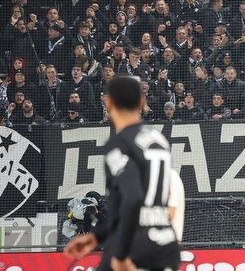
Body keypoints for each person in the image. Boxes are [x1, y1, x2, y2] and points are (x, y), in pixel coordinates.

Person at [64, 76, 181, 271]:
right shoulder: (158, 139)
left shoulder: (119, 144)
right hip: (165, 246)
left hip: (135, 246)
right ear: (142, 103)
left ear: (108, 103)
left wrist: (121, 253)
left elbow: (133, 199)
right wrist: (96, 236)